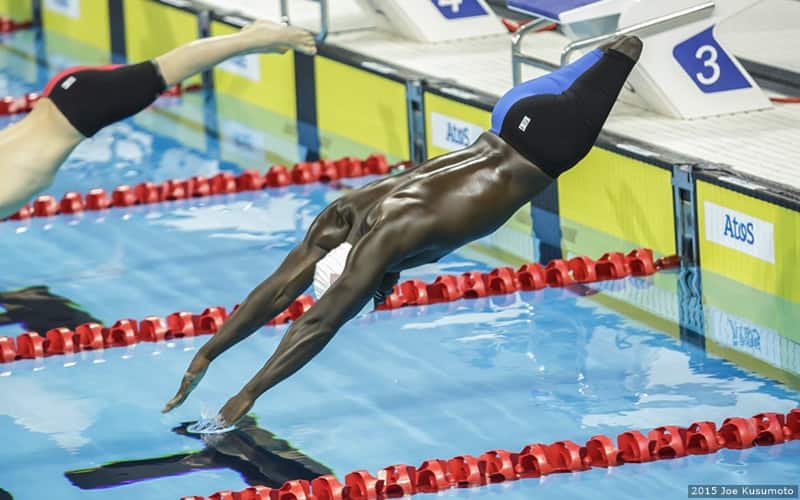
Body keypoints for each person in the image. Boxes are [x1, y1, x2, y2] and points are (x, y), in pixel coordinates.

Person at [163, 36, 644, 429]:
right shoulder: (349, 210)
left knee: (634, 46)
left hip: (547, 143)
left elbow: (317, 323)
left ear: (361, 272)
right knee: (619, 42)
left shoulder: (387, 236)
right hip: (510, 115)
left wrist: (248, 393)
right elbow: (279, 289)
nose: (381, 294)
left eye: (370, 291)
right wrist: (207, 353)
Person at [0, 20, 316, 220]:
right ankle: (250, 36)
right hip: (61, 97)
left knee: (168, 70)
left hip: (80, 110)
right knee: (163, 69)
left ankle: (256, 37)